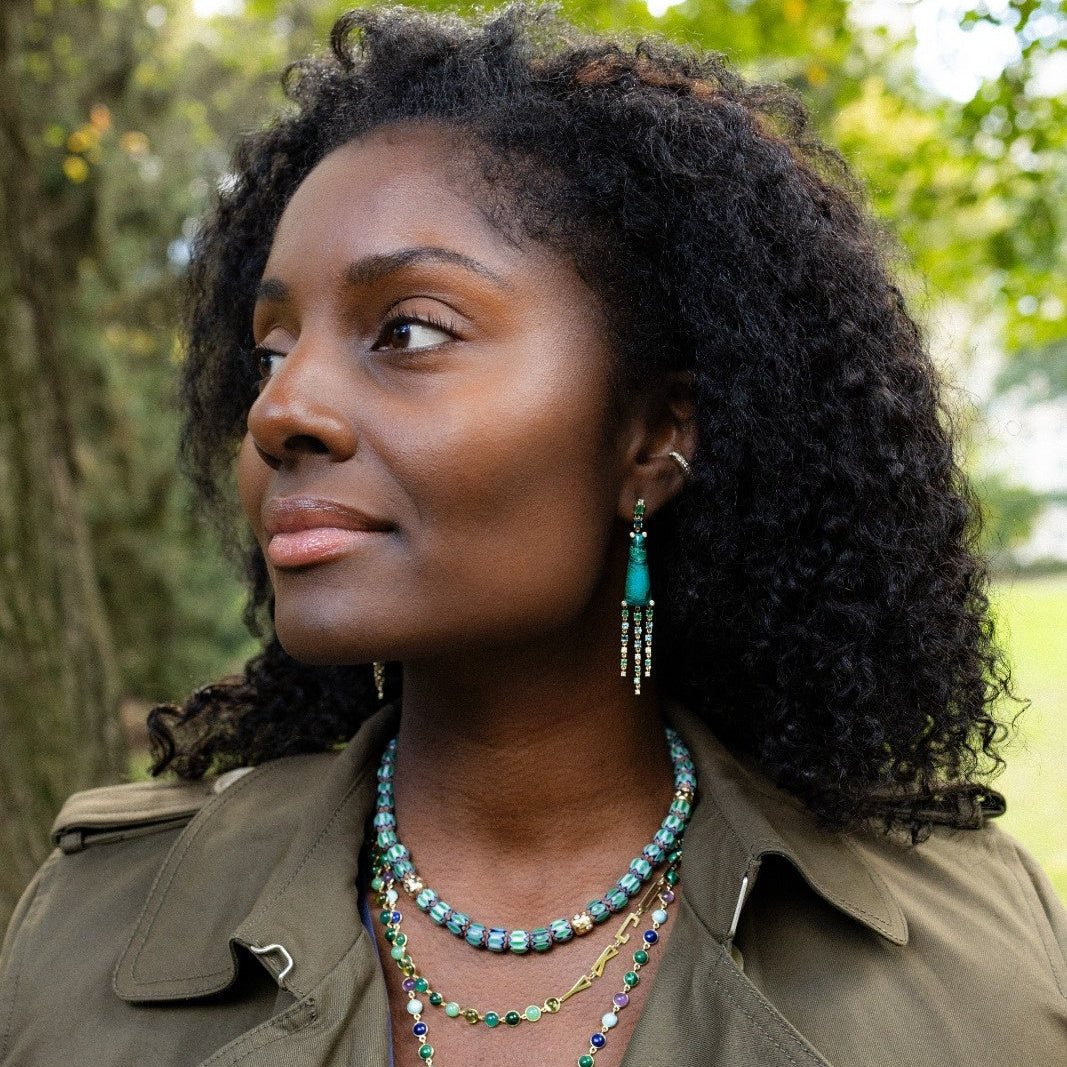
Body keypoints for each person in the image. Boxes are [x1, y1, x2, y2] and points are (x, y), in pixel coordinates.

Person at [2, 3, 1065, 1065]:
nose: (278, 412)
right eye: (271, 350)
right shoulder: (90, 931)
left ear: (652, 434)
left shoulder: (977, 968)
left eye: (406, 330)